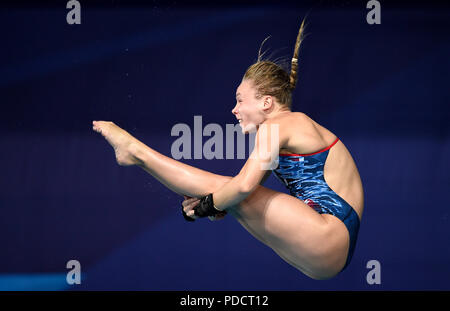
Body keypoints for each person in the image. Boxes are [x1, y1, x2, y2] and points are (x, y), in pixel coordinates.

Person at [92, 19, 364, 280]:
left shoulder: (280, 125)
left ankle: (136, 151)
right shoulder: (286, 129)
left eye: (240, 100)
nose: (234, 109)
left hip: (329, 232)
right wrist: (217, 204)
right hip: (329, 247)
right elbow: (245, 191)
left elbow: (244, 187)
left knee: (232, 190)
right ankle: (136, 153)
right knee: (233, 198)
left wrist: (207, 205)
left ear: (266, 102)